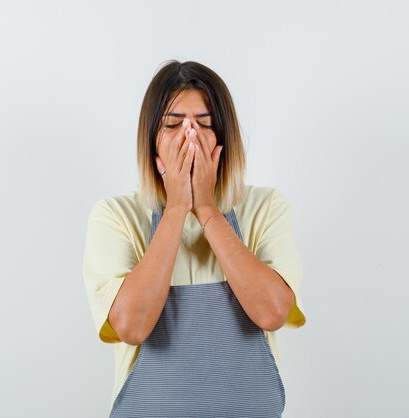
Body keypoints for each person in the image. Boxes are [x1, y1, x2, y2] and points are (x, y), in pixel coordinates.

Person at [82, 60, 307, 417]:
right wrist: (175, 210)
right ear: (152, 145)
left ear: (224, 140)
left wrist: (207, 210)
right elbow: (131, 325)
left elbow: (273, 312)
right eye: (173, 124)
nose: (190, 135)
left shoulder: (267, 208)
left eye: (204, 123)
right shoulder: (116, 216)